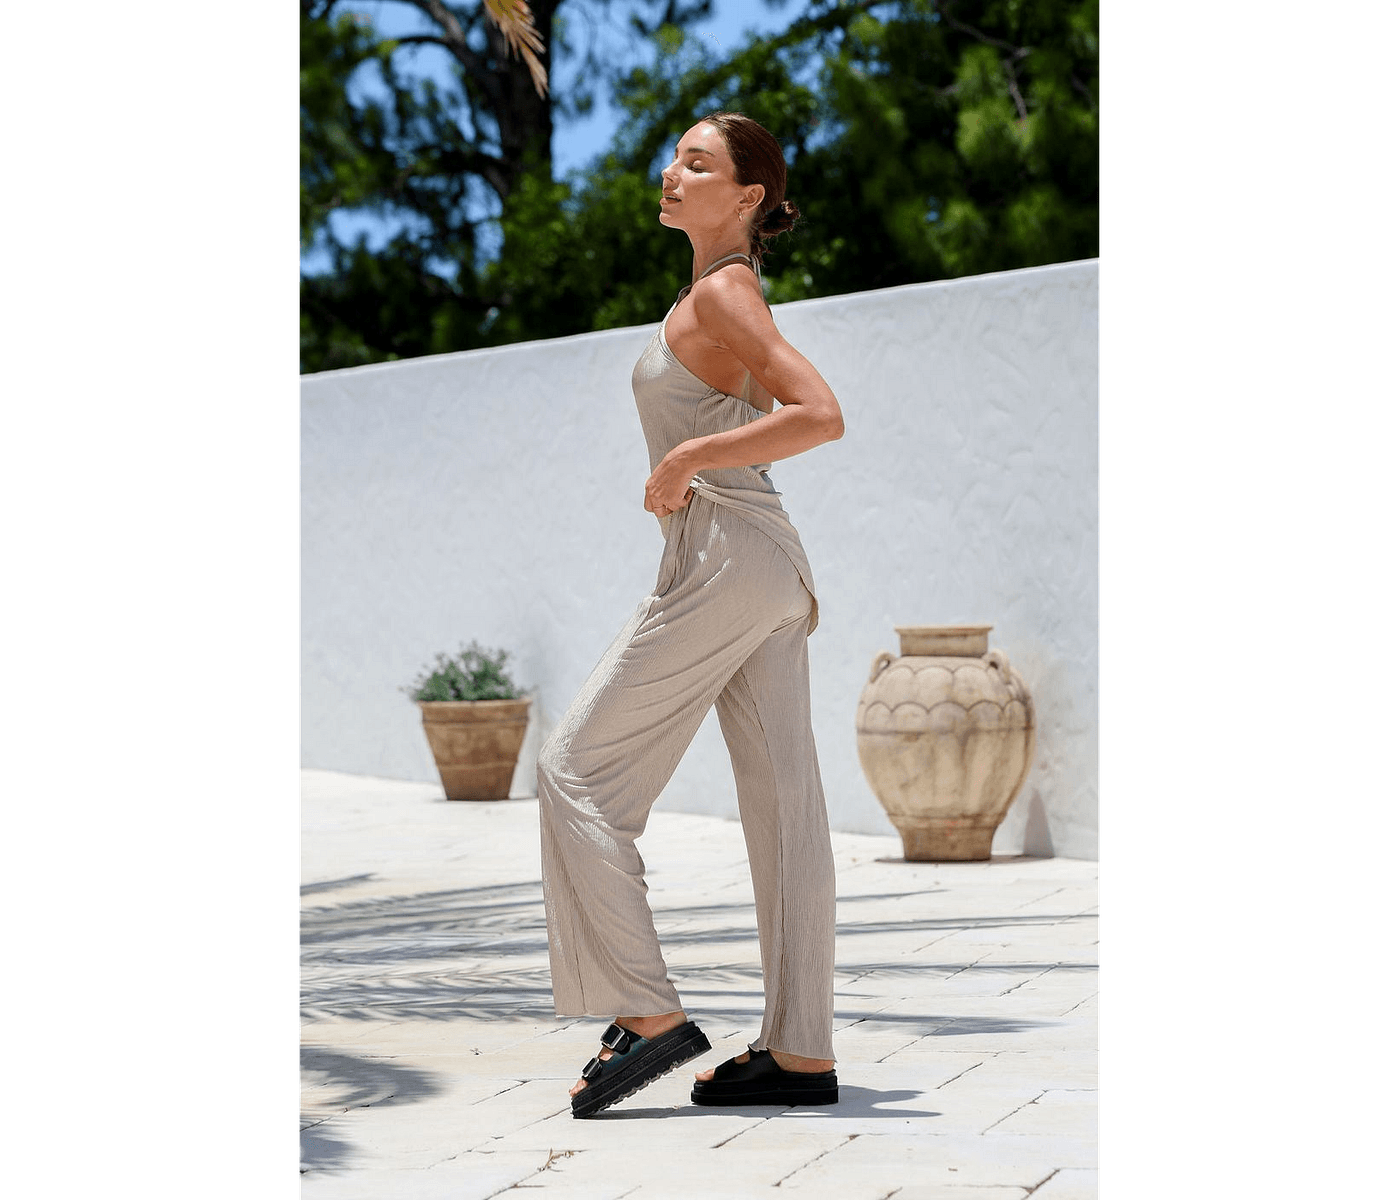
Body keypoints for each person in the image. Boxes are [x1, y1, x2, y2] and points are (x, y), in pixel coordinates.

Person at [536, 111, 845, 1119]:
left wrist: (684, 457)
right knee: (786, 810)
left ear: (748, 196)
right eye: (673, 158)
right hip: (756, 563)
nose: (670, 173)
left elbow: (819, 413)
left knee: (573, 769)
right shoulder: (713, 290)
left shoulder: (724, 291)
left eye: (696, 162)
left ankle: (648, 1011)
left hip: (724, 560)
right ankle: (798, 1054)